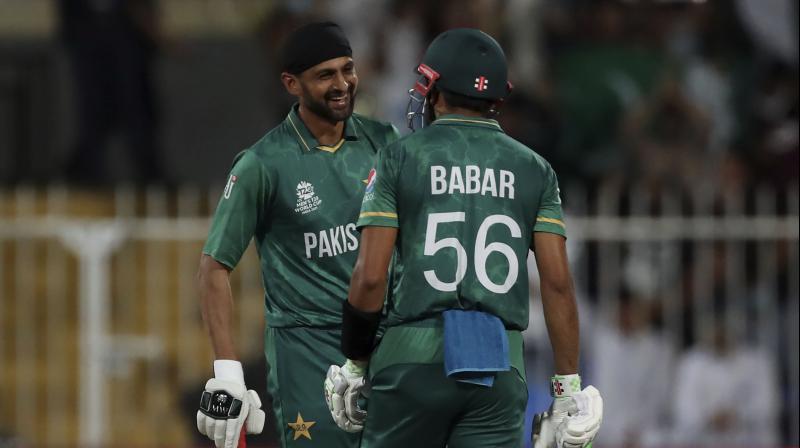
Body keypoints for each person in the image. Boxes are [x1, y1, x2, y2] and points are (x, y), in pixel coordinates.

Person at [324, 28, 602, 448]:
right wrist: (567, 389)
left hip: (412, 354)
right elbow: (558, 284)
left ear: (434, 89)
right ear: (497, 97)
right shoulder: (536, 169)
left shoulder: (400, 157)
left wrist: (355, 364)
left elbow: (369, 279)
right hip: (499, 360)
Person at [195, 22, 399, 448]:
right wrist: (228, 375)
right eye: (325, 75)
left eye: (348, 69)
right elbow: (213, 269)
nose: (343, 84)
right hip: (308, 355)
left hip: (389, 346)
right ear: (292, 83)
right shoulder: (262, 164)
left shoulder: (384, 141)